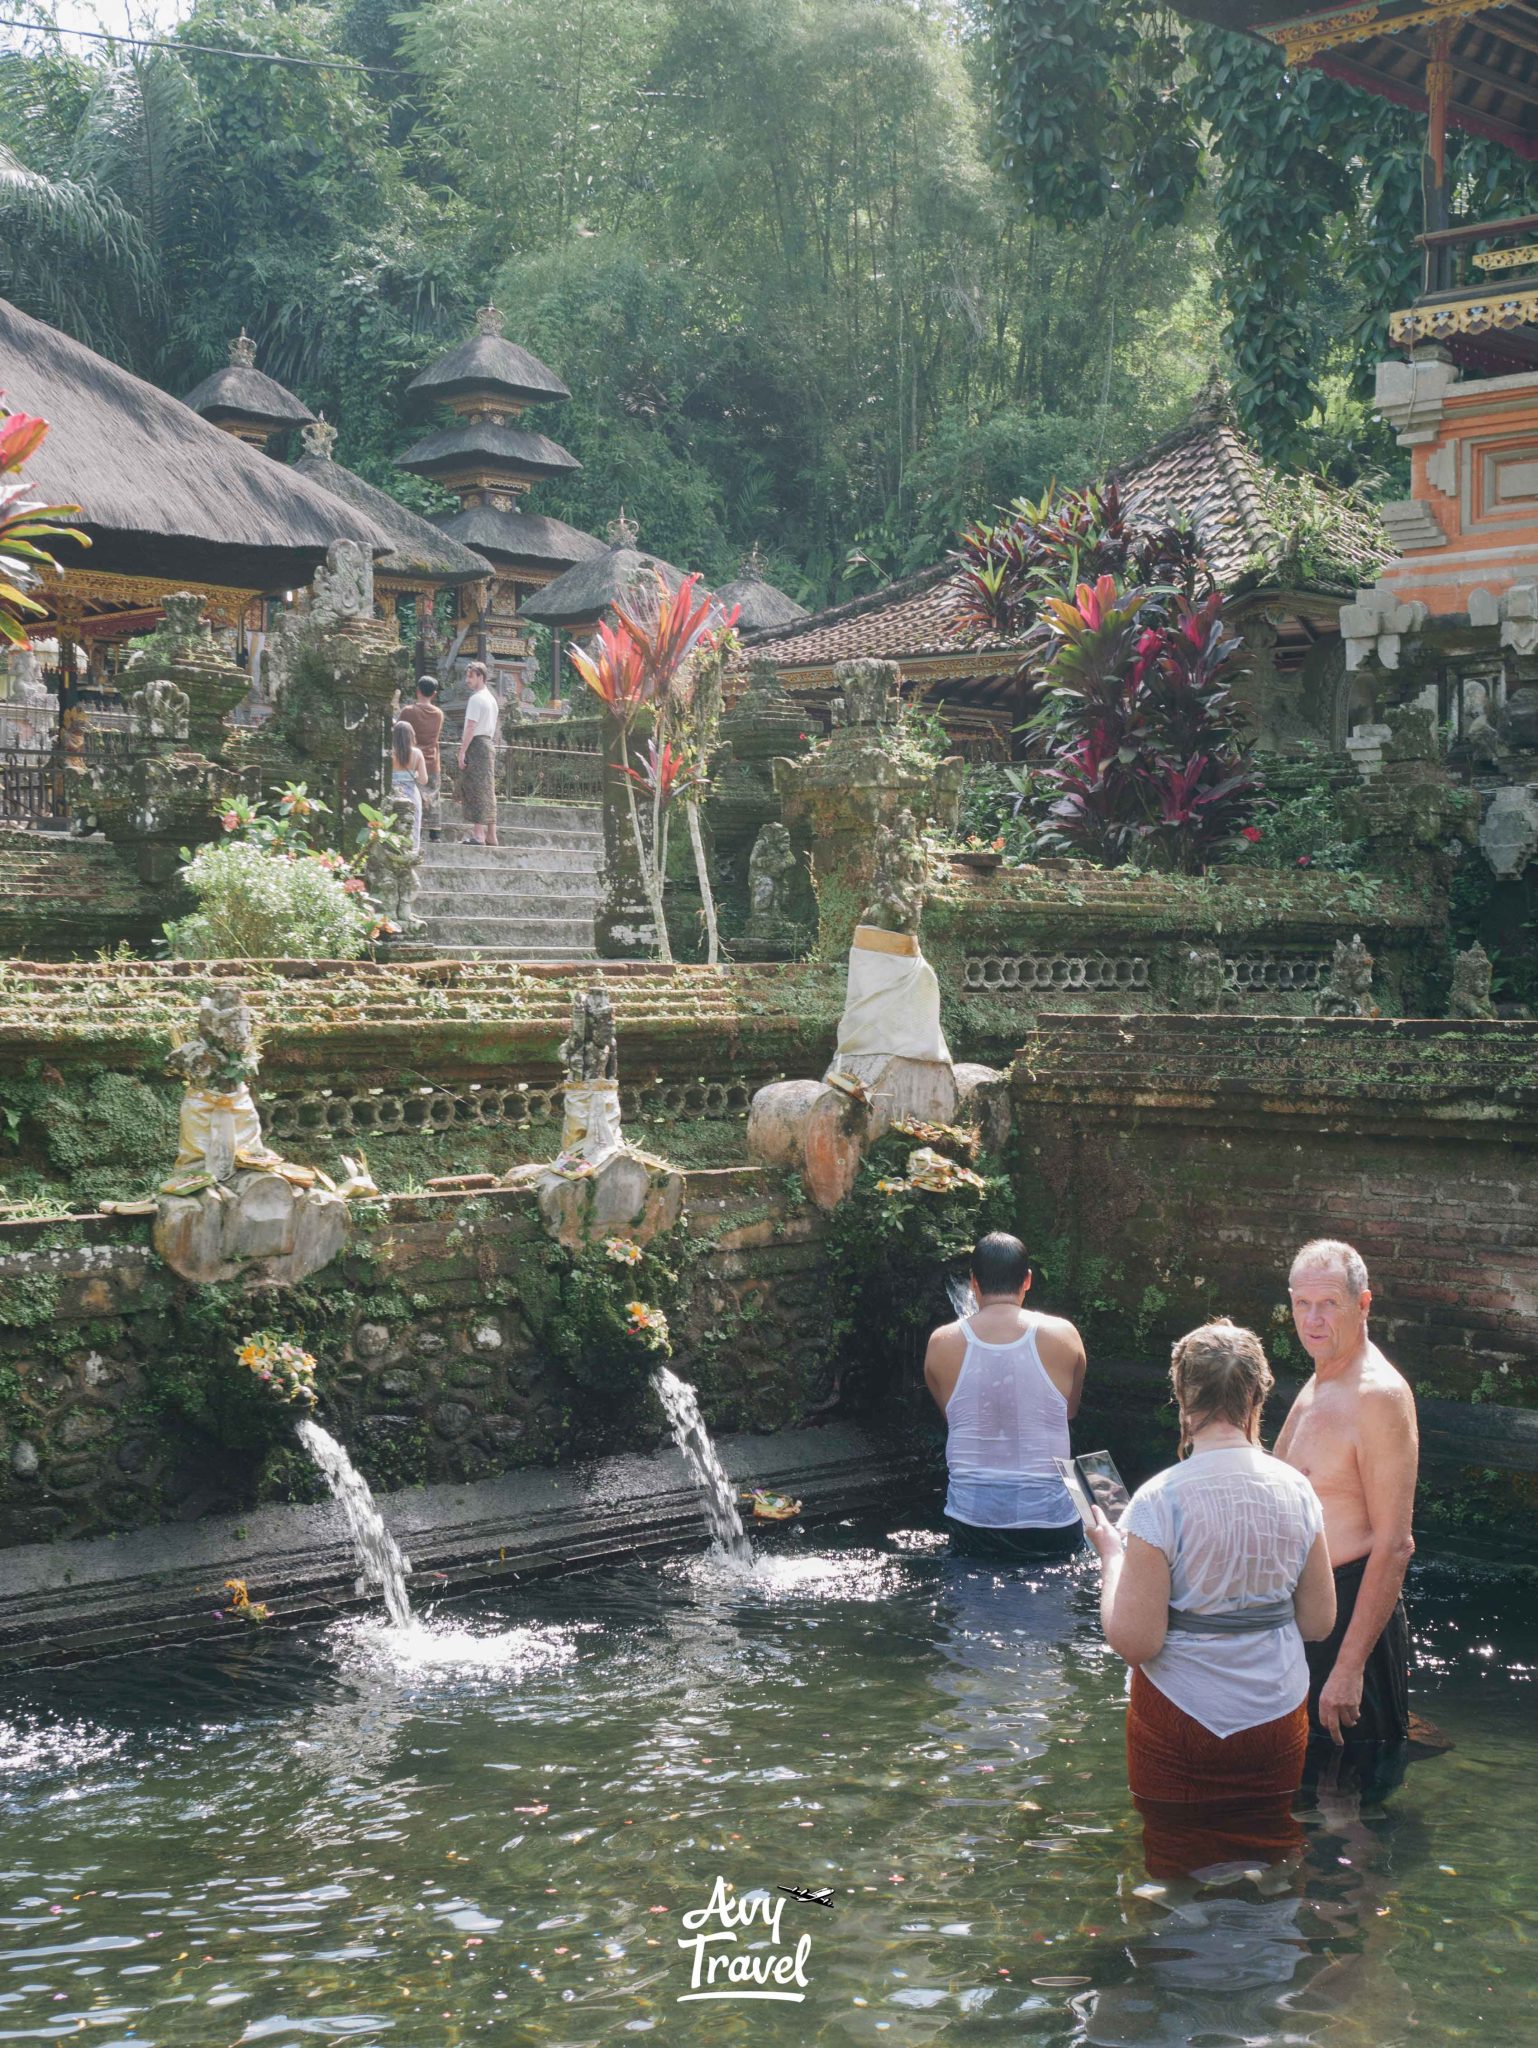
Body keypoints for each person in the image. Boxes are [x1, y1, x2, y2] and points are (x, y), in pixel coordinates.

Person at [1090, 1320, 1336, 1834]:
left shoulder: (1158, 1500)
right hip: (1276, 1711)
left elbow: (1137, 1642)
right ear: (1257, 1396)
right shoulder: (1298, 1490)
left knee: (1176, 1854)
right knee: (1270, 1850)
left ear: (1182, 1397)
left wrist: (1111, 1556)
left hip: (1182, 1714)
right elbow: (1317, 1622)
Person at [1275, 1239, 1418, 1750]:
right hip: (1304, 1614)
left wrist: (1349, 1667)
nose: (1313, 1319)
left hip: (1350, 1616)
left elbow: (1395, 1543)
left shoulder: (1377, 1397)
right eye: (1302, 1304)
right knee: (1309, 1793)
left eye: (1329, 1303)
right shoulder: (1319, 1380)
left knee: (1352, 1802)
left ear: (1363, 1304)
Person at [923, 1231, 1087, 1561]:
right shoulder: (1063, 1335)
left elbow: (954, 1419)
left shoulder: (942, 1342)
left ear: (974, 1283)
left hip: (971, 1521)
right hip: (1050, 1522)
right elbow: (1068, 1412)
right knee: (1098, 1484)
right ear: (1027, 1280)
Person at [458, 660, 500, 847]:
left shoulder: (476, 699)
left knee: (476, 788)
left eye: (471, 676)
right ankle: (491, 834)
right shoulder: (491, 699)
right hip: (488, 744)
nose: (467, 680)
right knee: (488, 788)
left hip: (476, 744)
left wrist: (462, 751)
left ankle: (478, 834)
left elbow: (470, 726)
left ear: (480, 677)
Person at [398, 675, 444, 842]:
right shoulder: (438, 714)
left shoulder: (408, 711)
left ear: (417, 691)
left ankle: (409, 825)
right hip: (432, 759)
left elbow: (399, 731)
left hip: (411, 759)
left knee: (410, 793)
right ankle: (434, 832)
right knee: (433, 793)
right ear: (434, 694)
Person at [390, 719, 428, 853]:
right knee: (413, 826)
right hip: (411, 794)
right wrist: (415, 774)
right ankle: (412, 853)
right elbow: (424, 780)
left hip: (393, 794)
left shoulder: (390, 753)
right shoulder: (417, 754)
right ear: (411, 735)